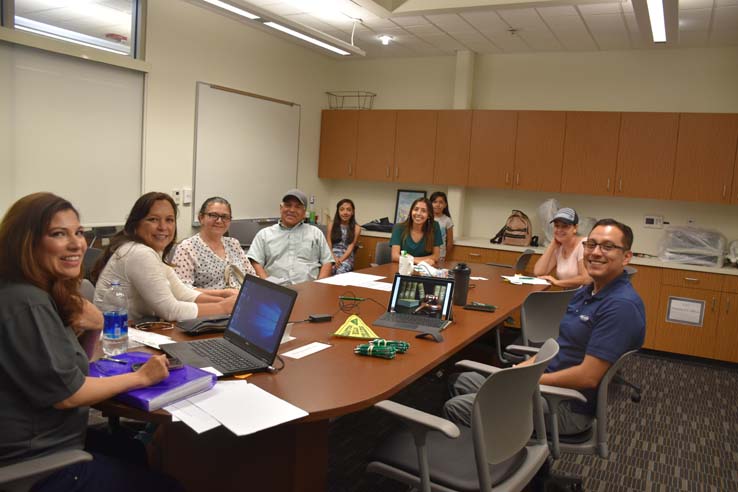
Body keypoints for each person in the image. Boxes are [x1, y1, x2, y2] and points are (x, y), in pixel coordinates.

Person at [0, 192, 181, 491]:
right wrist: (141, 378)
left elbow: (73, 371)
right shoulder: (26, 301)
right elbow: (69, 394)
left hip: (53, 436)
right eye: (59, 234)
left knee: (134, 451)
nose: (77, 244)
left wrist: (95, 326)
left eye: (79, 232)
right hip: (34, 460)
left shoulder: (34, 291)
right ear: (25, 242)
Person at [444, 219, 645, 435]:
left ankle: (497, 462)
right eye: (591, 244)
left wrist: (527, 380)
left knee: (458, 407)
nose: (596, 252)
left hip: (566, 405)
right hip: (546, 384)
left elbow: (588, 377)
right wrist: (517, 372)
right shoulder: (587, 293)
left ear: (626, 257)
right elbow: (557, 346)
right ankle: (497, 441)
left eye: (607, 247)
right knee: (463, 380)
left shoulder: (620, 306)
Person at [92, 192, 236, 323]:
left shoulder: (153, 251)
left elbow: (181, 293)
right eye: (153, 219)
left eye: (169, 220)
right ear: (136, 224)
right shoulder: (139, 253)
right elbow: (170, 310)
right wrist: (223, 307)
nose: (163, 227)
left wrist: (227, 300)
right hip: (117, 338)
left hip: (135, 330)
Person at [247, 189, 333, 284]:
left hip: (309, 290)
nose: (292, 210)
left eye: (298, 207)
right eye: (288, 205)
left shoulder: (316, 233)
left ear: (304, 212)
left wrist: (318, 286)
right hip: (276, 290)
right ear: (281, 208)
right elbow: (255, 263)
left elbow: (327, 262)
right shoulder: (264, 234)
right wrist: (268, 285)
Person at [173, 196, 256, 289]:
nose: (219, 221)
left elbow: (252, 276)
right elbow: (182, 289)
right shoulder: (187, 248)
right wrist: (223, 294)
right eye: (213, 215)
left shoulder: (233, 244)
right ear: (201, 218)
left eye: (224, 217)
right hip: (213, 302)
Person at [534, 207, 591, 288]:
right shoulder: (559, 246)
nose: (559, 230)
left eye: (565, 226)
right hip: (567, 296)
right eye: (557, 226)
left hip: (584, 297)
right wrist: (552, 245)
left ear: (575, 228)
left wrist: (558, 282)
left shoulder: (583, 244)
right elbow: (538, 272)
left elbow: (586, 279)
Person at [389, 197, 442, 266]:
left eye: (423, 211)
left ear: (429, 215)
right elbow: (395, 256)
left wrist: (409, 259)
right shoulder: (398, 228)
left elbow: (436, 256)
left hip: (425, 271)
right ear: (411, 211)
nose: (418, 213)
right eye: (416, 209)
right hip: (403, 269)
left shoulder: (434, 227)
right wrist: (418, 261)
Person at [327, 198, 361, 275]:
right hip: (331, 255)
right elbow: (329, 245)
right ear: (338, 211)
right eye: (342, 209)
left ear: (353, 212)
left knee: (340, 271)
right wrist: (334, 259)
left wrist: (340, 260)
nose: (345, 212)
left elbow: (351, 247)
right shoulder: (331, 225)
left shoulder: (357, 228)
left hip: (346, 257)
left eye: (348, 210)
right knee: (329, 270)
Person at [430, 191, 454, 261]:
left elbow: (450, 242)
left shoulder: (447, 220)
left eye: (441, 202)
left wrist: (446, 257)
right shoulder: (426, 217)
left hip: (440, 256)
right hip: (426, 254)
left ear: (445, 205)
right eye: (435, 202)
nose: (437, 204)